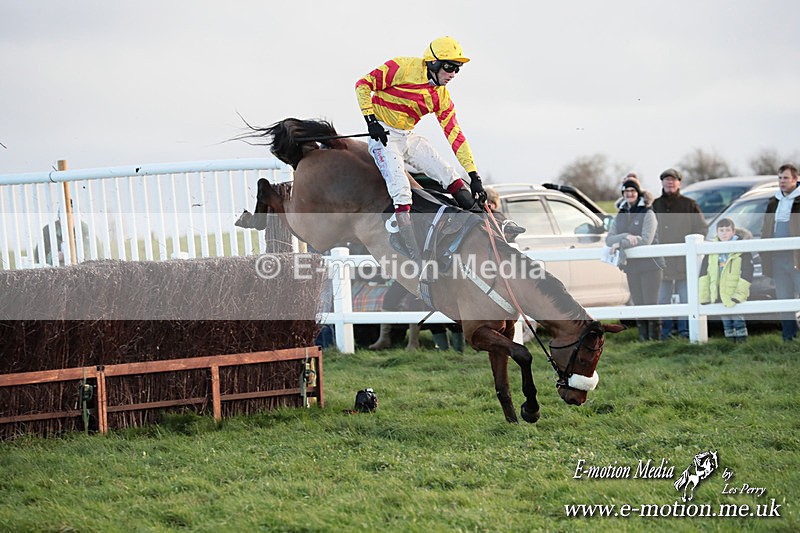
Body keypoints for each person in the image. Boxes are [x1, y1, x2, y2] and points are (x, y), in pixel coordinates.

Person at [355, 36, 487, 260]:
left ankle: (483, 224)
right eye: (449, 67)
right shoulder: (400, 67)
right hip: (384, 137)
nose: (453, 74)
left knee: (449, 174)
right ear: (433, 63)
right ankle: (412, 251)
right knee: (402, 191)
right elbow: (363, 85)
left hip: (407, 137)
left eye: (458, 69)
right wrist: (371, 121)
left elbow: (454, 134)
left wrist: (474, 177)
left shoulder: (441, 96)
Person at [605, 176, 665, 341]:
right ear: (623, 193)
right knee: (637, 302)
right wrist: (626, 236)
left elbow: (647, 239)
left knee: (650, 303)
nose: (629, 194)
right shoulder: (621, 214)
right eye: (626, 191)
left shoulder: (648, 213)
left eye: (632, 191)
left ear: (638, 193)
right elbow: (609, 239)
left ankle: (655, 339)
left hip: (651, 265)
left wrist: (621, 242)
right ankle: (643, 339)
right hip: (632, 266)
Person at [652, 168, 707, 339]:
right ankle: (666, 332)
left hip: (685, 262)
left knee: (686, 299)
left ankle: (685, 331)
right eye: (666, 179)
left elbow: (701, 228)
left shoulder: (689, 205)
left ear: (679, 183)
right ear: (662, 182)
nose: (670, 182)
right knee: (663, 299)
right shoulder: (655, 205)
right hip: (662, 263)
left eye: (673, 180)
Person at [760, 163, 800, 342]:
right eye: (780, 178)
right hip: (778, 258)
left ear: (795, 179)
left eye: (786, 178)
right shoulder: (772, 202)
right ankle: (788, 337)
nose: (782, 181)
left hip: (797, 258)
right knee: (783, 299)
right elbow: (765, 230)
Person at [698, 218, 753, 342]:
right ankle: (729, 345)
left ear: (733, 232)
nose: (724, 233)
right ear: (717, 232)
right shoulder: (711, 250)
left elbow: (747, 272)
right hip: (718, 291)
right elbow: (704, 274)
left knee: (738, 319)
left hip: (734, 291)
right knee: (726, 321)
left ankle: (741, 344)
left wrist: (739, 294)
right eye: (721, 230)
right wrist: (704, 296)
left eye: (727, 230)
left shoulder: (741, 250)